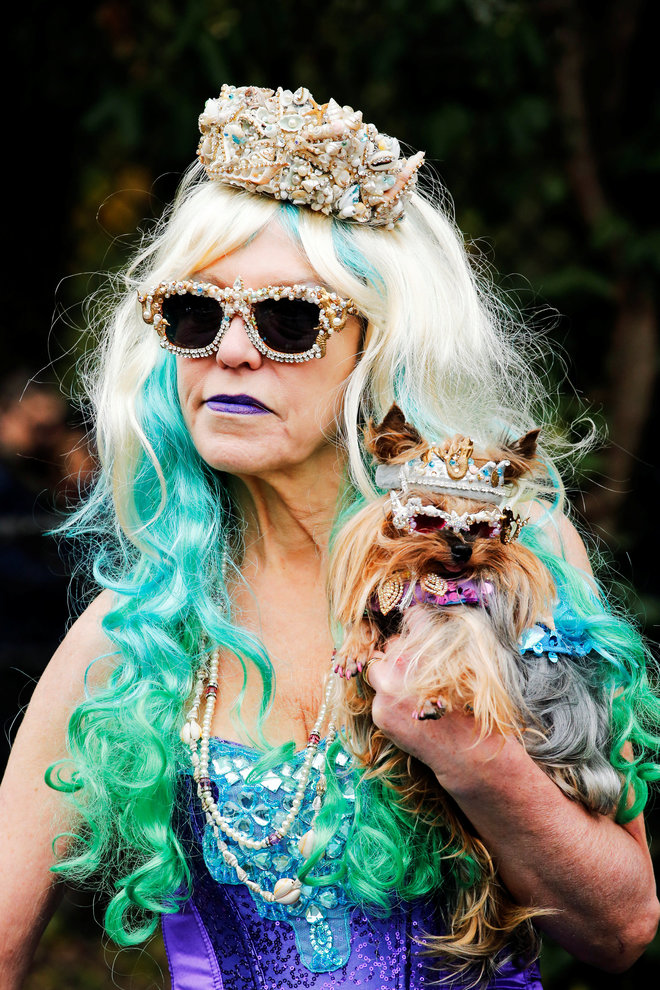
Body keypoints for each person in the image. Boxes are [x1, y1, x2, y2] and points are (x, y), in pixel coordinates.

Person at [1, 84, 658, 990]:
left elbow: (623, 925)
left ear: (377, 349)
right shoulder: (135, 632)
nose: (231, 352)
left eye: (288, 321)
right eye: (196, 313)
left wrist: (475, 754)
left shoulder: (512, 560)